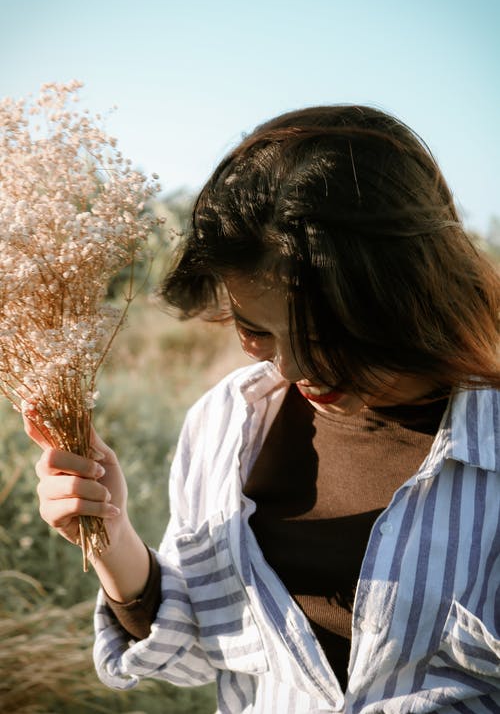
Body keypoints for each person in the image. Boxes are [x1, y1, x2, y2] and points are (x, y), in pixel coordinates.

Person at [27, 105, 500, 713]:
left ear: (410, 298)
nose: (295, 369)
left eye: (329, 336)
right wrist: (113, 537)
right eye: (256, 330)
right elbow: (199, 651)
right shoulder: (226, 424)